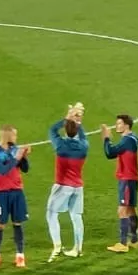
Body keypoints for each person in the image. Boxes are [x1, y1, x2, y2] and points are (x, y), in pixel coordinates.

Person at [45, 105, 88, 260]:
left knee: (51, 213)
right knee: (76, 216)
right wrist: (78, 121)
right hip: (78, 186)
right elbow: (83, 136)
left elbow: (52, 130)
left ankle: (57, 245)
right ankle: (78, 248)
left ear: (66, 130)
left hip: (62, 186)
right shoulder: (84, 146)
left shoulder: (60, 145)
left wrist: (68, 117)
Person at [0, 126, 30, 268]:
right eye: (14, 135)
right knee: (0, 224)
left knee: (18, 222)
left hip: (17, 191)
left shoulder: (15, 149)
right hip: (1, 192)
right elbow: (2, 170)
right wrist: (16, 157)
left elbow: (25, 169)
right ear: (7, 136)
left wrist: (24, 157)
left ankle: (20, 255)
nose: (16, 138)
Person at [102, 114, 138, 252]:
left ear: (126, 125)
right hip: (131, 178)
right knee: (130, 209)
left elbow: (110, 153)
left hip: (127, 178)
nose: (116, 126)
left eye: (119, 123)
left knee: (122, 210)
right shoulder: (132, 139)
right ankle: (134, 240)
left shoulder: (127, 140)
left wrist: (106, 138)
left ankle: (123, 243)